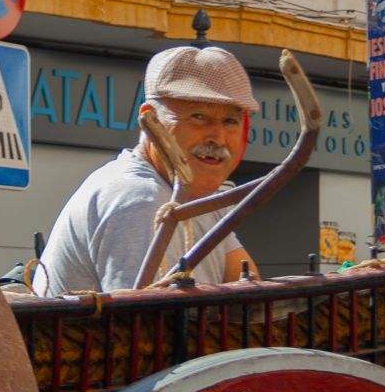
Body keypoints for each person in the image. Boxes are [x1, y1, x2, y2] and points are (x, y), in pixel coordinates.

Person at [35, 46, 259, 295]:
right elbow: (153, 317)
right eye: (198, 116)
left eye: (230, 121)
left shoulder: (198, 198)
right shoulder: (140, 200)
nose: (218, 137)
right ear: (150, 119)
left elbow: (250, 292)